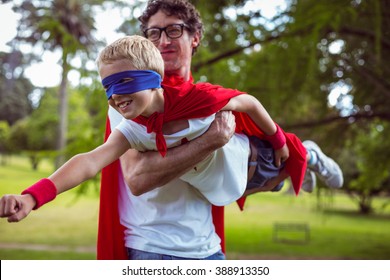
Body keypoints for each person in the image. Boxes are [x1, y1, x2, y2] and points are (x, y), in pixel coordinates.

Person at [0, 34, 306, 256]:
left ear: (153, 79)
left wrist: (278, 139)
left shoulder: (198, 99)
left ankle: (310, 154)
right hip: (216, 187)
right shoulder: (133, 128)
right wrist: (31, 198)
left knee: (287, 164)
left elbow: (248, 102)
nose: (115, 96)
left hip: (250, 160)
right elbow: (91, 161)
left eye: (124, 83)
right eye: (107, 87)